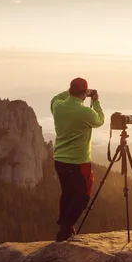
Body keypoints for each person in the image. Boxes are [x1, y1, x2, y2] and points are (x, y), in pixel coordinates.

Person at [50, 77, 105, 242]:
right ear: (84, 94)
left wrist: (69, 92)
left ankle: (64, 225)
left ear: (70, 90)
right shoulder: (84, 112)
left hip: (59, 160)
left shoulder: (58, 107)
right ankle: (65, 229)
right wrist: (95, 101)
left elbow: (55, 99)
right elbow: (100, 120)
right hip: (78, 162)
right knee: (82, 196)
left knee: (67, 193)